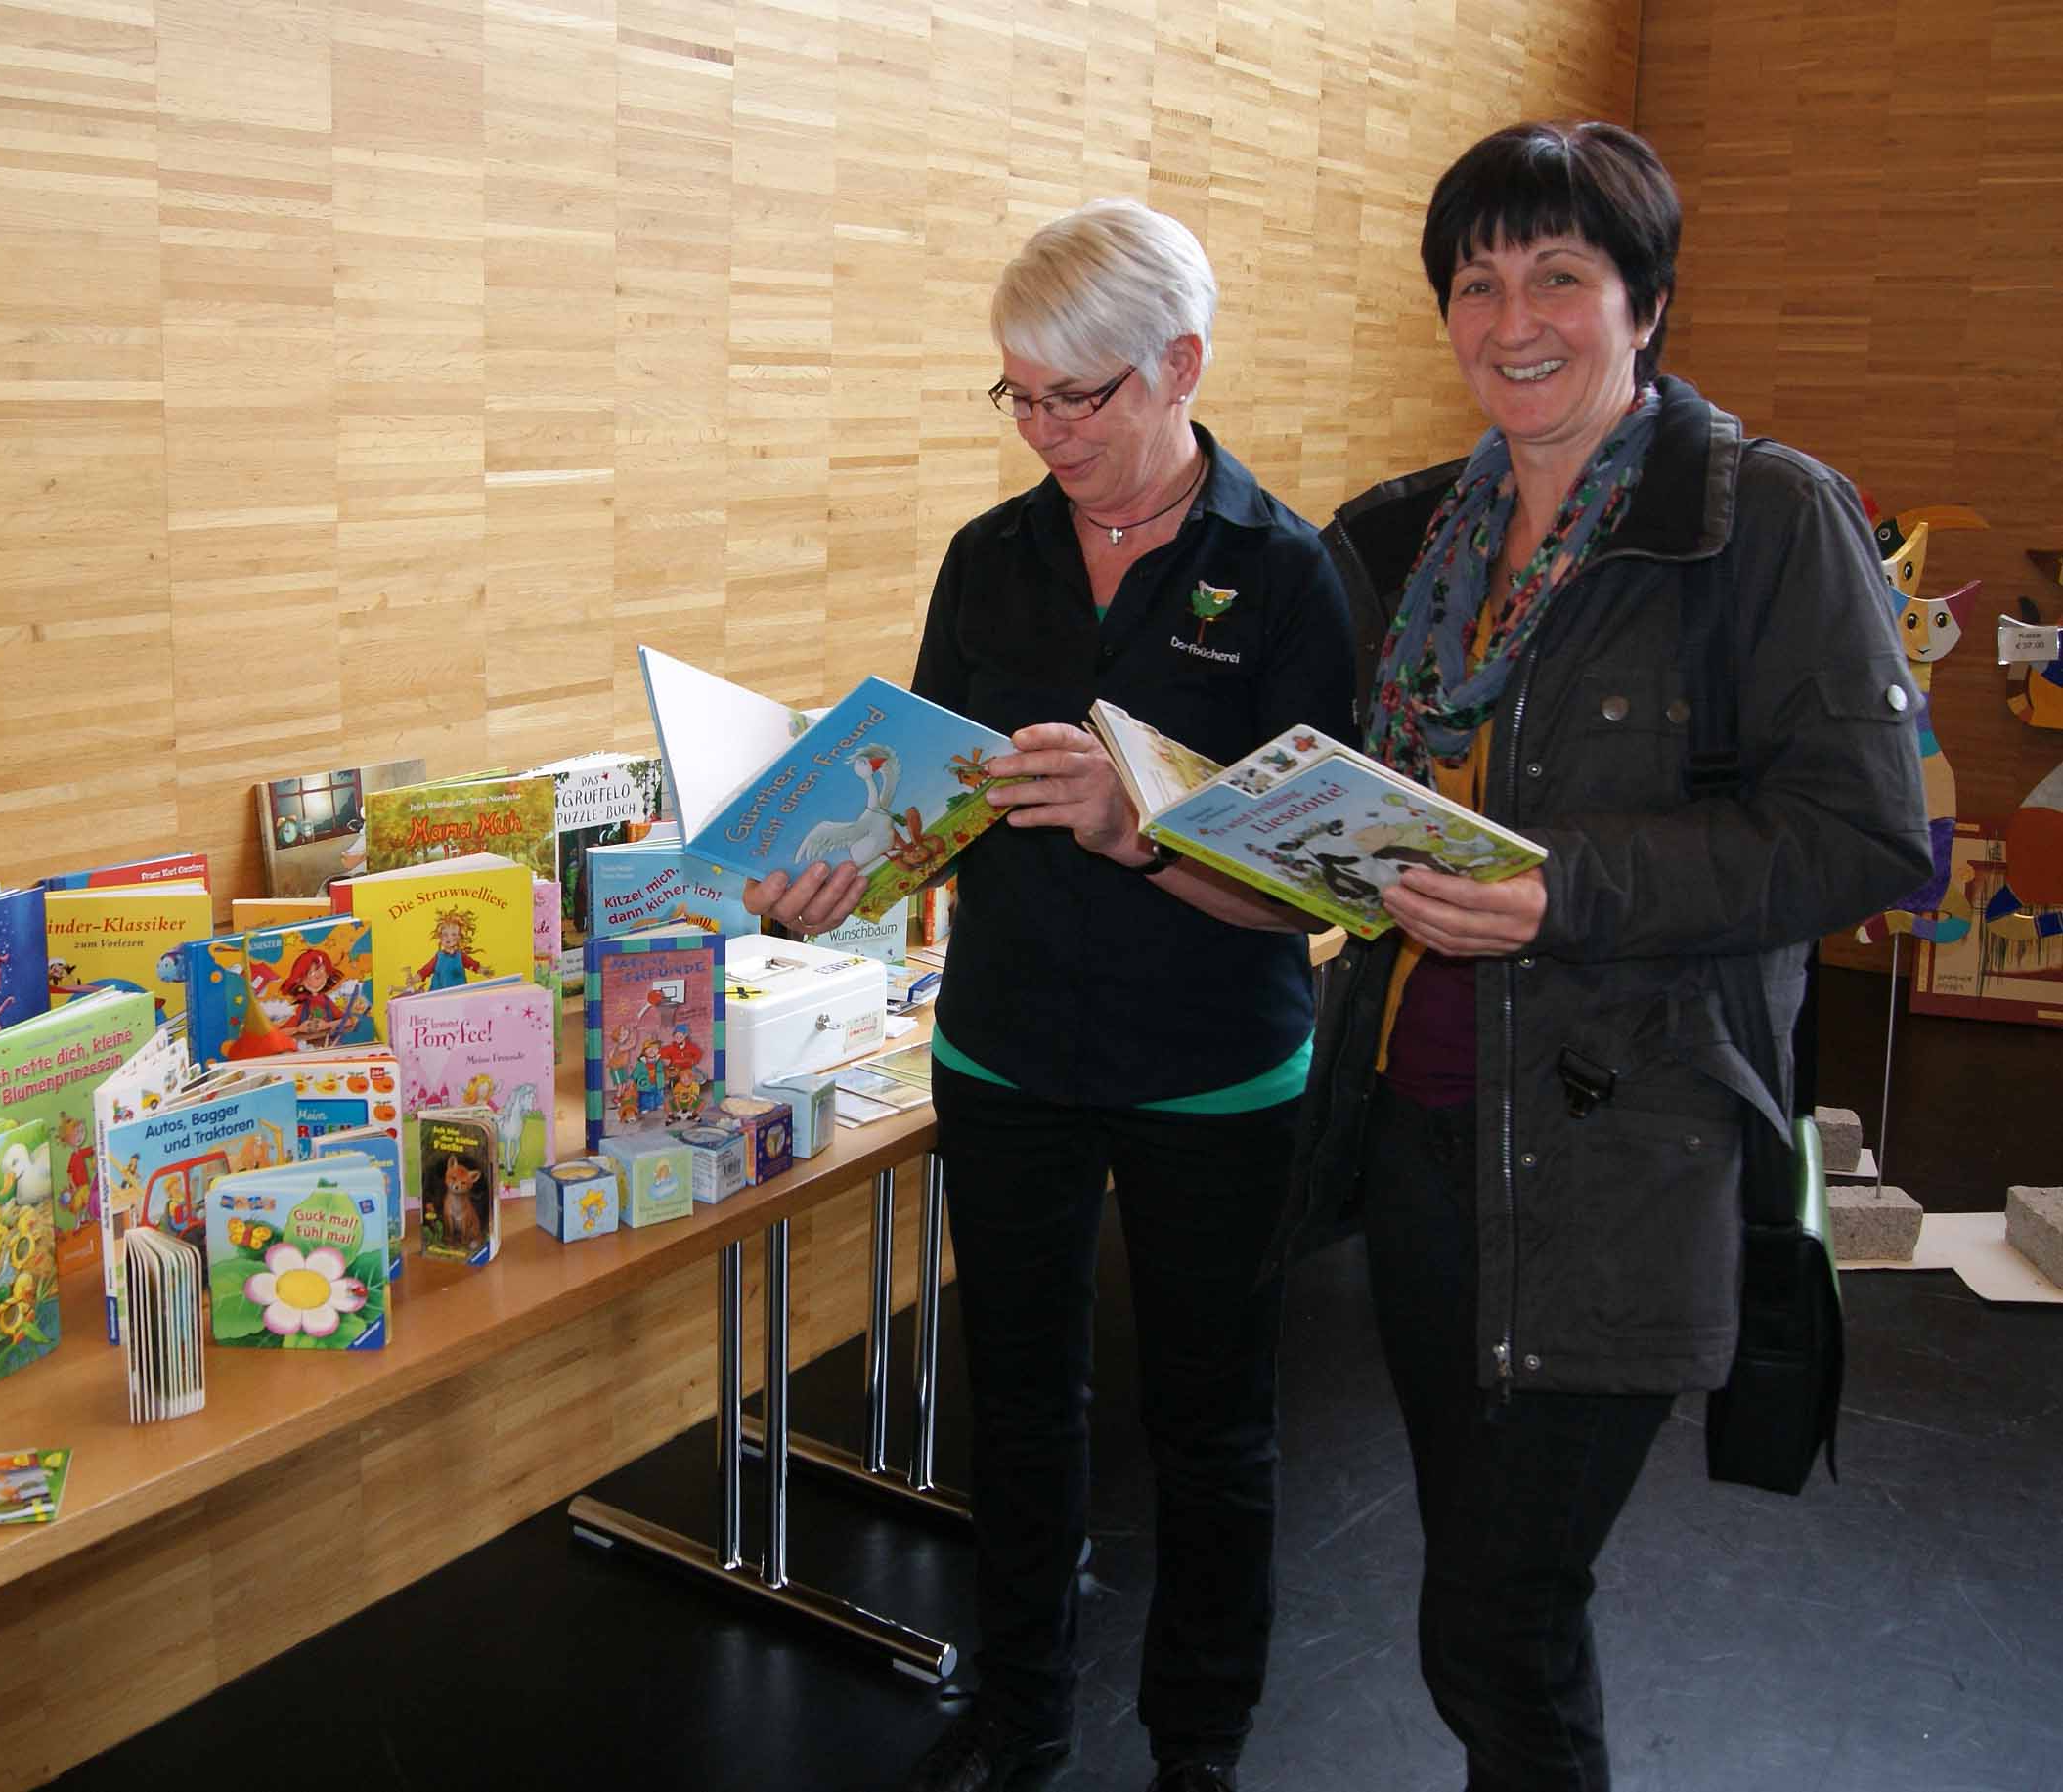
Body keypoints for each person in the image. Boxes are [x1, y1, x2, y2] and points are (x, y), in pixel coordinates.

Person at [1282, 122, 1930, 1791]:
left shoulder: (1761, 519)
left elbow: (1863, 835)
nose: (1513, 321)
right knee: (1483, 1583)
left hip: (1627, 1149)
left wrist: (1561, 889)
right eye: (1476, 282)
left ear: (1644, 301)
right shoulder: (1410, 537)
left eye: (1558, 276)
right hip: (1420, 1128)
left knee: (1495, 1614)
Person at [750, 197, 1354, 1792]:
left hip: (1211, 1064)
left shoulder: (1289, 575)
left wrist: (1132, 826)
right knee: (1018, 1406)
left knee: (1210, 1428)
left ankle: (1197, 1749)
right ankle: (1019, 1714)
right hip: (1006, 1046)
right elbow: (929, 794)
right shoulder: (990, 556)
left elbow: (1308, 892)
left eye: (1076, 396)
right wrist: (836, 871)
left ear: (1182, 366)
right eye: (1016, 394)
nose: (1044, 432)